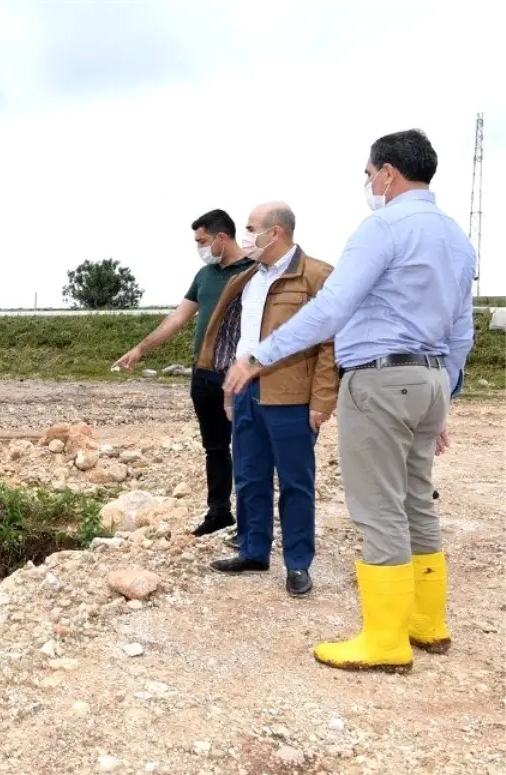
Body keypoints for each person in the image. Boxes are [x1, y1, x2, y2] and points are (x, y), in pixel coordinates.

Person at [224, 129, 475, 671]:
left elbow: (330, 311)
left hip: (381, 381)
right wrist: (444, 395)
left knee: (379, 507)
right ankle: (427, 624)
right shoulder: (457, 237)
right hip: (429, 379)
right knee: (415, 501)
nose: (368, 183)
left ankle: (385, 641)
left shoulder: (381, 228)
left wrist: (259, 357)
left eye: (368, 174)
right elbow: (461, 331)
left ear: (387, 172)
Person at [198, 202, 338, 596]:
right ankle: (253, 550)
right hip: (245, 393)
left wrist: (322, 400)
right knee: (249, 475)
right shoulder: (248, 278)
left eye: (250, 227)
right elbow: (237, 339)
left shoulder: (316, 275)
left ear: (275, 232)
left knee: (295, 481)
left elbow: (330, 343)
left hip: (292, 396)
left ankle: (297, 564)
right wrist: (229, 388)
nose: (246, 235)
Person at [114, 210, 254, 540]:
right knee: (215, 448)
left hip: (240, 375)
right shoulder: (204, 275)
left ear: (222, 238)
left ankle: (251, 524)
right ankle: (219, 512)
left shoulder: (253, 272)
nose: (199, 248)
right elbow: (178, 318)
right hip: (204, 374)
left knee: (248, 448)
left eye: (202, 241)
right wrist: (141, 348)